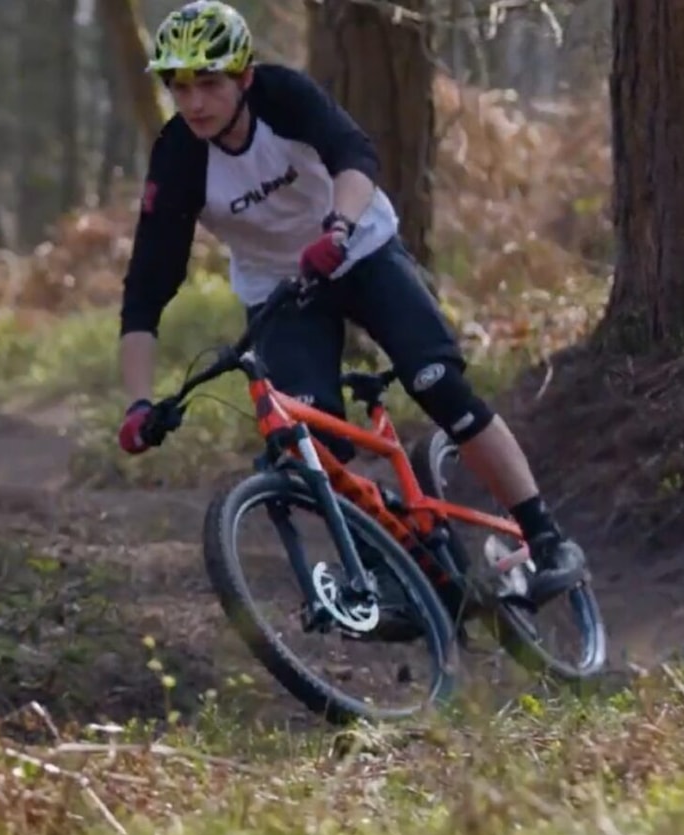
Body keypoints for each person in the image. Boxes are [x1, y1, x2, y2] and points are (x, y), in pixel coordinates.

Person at [113, 0, 587, 605]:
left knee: (438, 382)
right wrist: (137, 403)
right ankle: (393, 565)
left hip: (361, 251)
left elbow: (354, 155)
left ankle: (546, 537)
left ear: (244, 77)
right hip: (281, 294)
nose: (196, 102)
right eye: (180, 87)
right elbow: (146, 289)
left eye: (209, 82)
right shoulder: (179, 157)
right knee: (312, 445)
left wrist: (336, 230)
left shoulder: (283, 97)